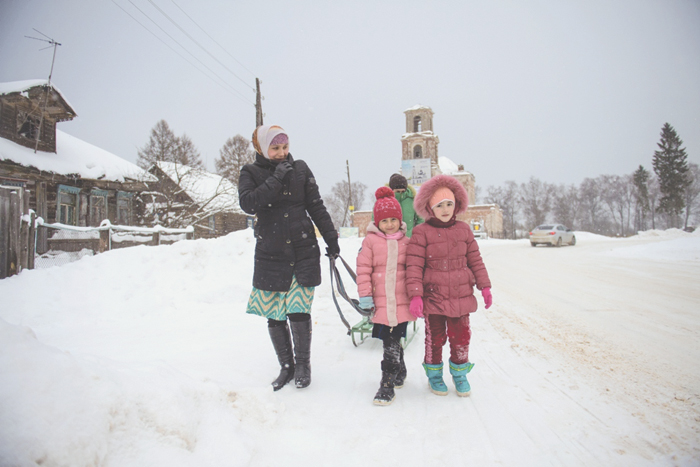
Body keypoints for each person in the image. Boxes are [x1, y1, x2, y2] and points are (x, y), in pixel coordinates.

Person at [238, 124, 340, 391]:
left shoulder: (301, 169)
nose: (282, 153)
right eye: (275, 148)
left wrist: (331, 239)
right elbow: (248, 204)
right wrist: (276, 179)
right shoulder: (250, 172)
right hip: (271, 253)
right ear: (261, 147)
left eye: (285, 147)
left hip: (302, 248)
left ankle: (303, 365)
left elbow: (316, 206)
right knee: (275, 313)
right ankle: (287, 366)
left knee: (298, 309)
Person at [405, 174, 492, 397]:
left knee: (461, 338)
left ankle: (460, 374)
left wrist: (485, 286)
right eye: (439, 205)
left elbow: (475, 259)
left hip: (461, 296)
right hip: (434, 298)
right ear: (430, 208)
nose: (445, 209)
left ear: (457, 205)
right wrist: (416, 295)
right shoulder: (422, 232)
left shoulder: (463, 230)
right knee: (435, 339)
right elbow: (414, 266)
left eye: (449, 204)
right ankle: (434, 376)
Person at [356, 187, 415, 405]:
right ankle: (399, 369)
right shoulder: (370, 242)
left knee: (392, 340)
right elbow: (363, 270)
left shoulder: (408, 243)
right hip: (380, 303)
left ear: (400, 220)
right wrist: (365, 297)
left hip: (401, 302)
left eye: (394, 219)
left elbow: (415, 271)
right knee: (390, 339)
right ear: (377, 222)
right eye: (384, 221)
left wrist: (418, 296)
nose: (389, 224)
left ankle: (387, 384)